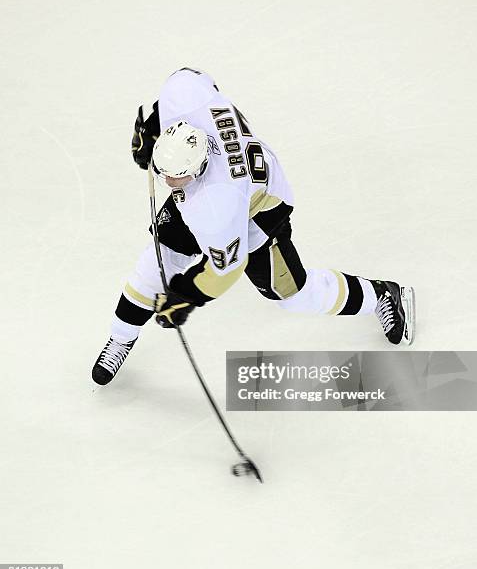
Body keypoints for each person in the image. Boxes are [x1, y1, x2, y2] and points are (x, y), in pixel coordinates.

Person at [92, 68, 415, 385]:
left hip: (260, 209)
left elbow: (227, 267)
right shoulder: (187, 99)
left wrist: (187, 295)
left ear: (199, 167)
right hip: (227, 186)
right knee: (156, 261)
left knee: (295, 296)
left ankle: (382, 295)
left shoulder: (214, 205)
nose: (166, 181)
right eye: (162, 170)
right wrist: (153, 127)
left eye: (174, 176)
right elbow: (194, 78)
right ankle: (121, 337)